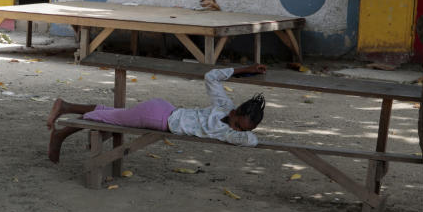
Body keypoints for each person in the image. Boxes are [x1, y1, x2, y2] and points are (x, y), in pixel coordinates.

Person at [47, 64, 267, 163]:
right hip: (156, 118)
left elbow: (251, 138)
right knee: (108, 118)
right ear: (235, 111)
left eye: (242, 130)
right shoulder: (226, 125)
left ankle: (66, 107)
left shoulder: (225, 109)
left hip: (162, 110)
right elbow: (211, 76)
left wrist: (244, 71)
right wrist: (244, 69)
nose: (237, 130)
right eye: (238, 124)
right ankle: (62, 130)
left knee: (111, 114)